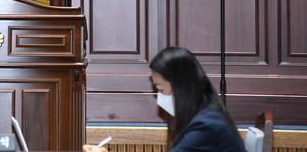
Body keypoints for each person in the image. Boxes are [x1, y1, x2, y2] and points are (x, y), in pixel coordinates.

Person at [83, 46, 245, 152]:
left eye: (160, 89)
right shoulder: (206, 115)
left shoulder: (207, 126)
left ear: (180, 86)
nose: (159, 97)